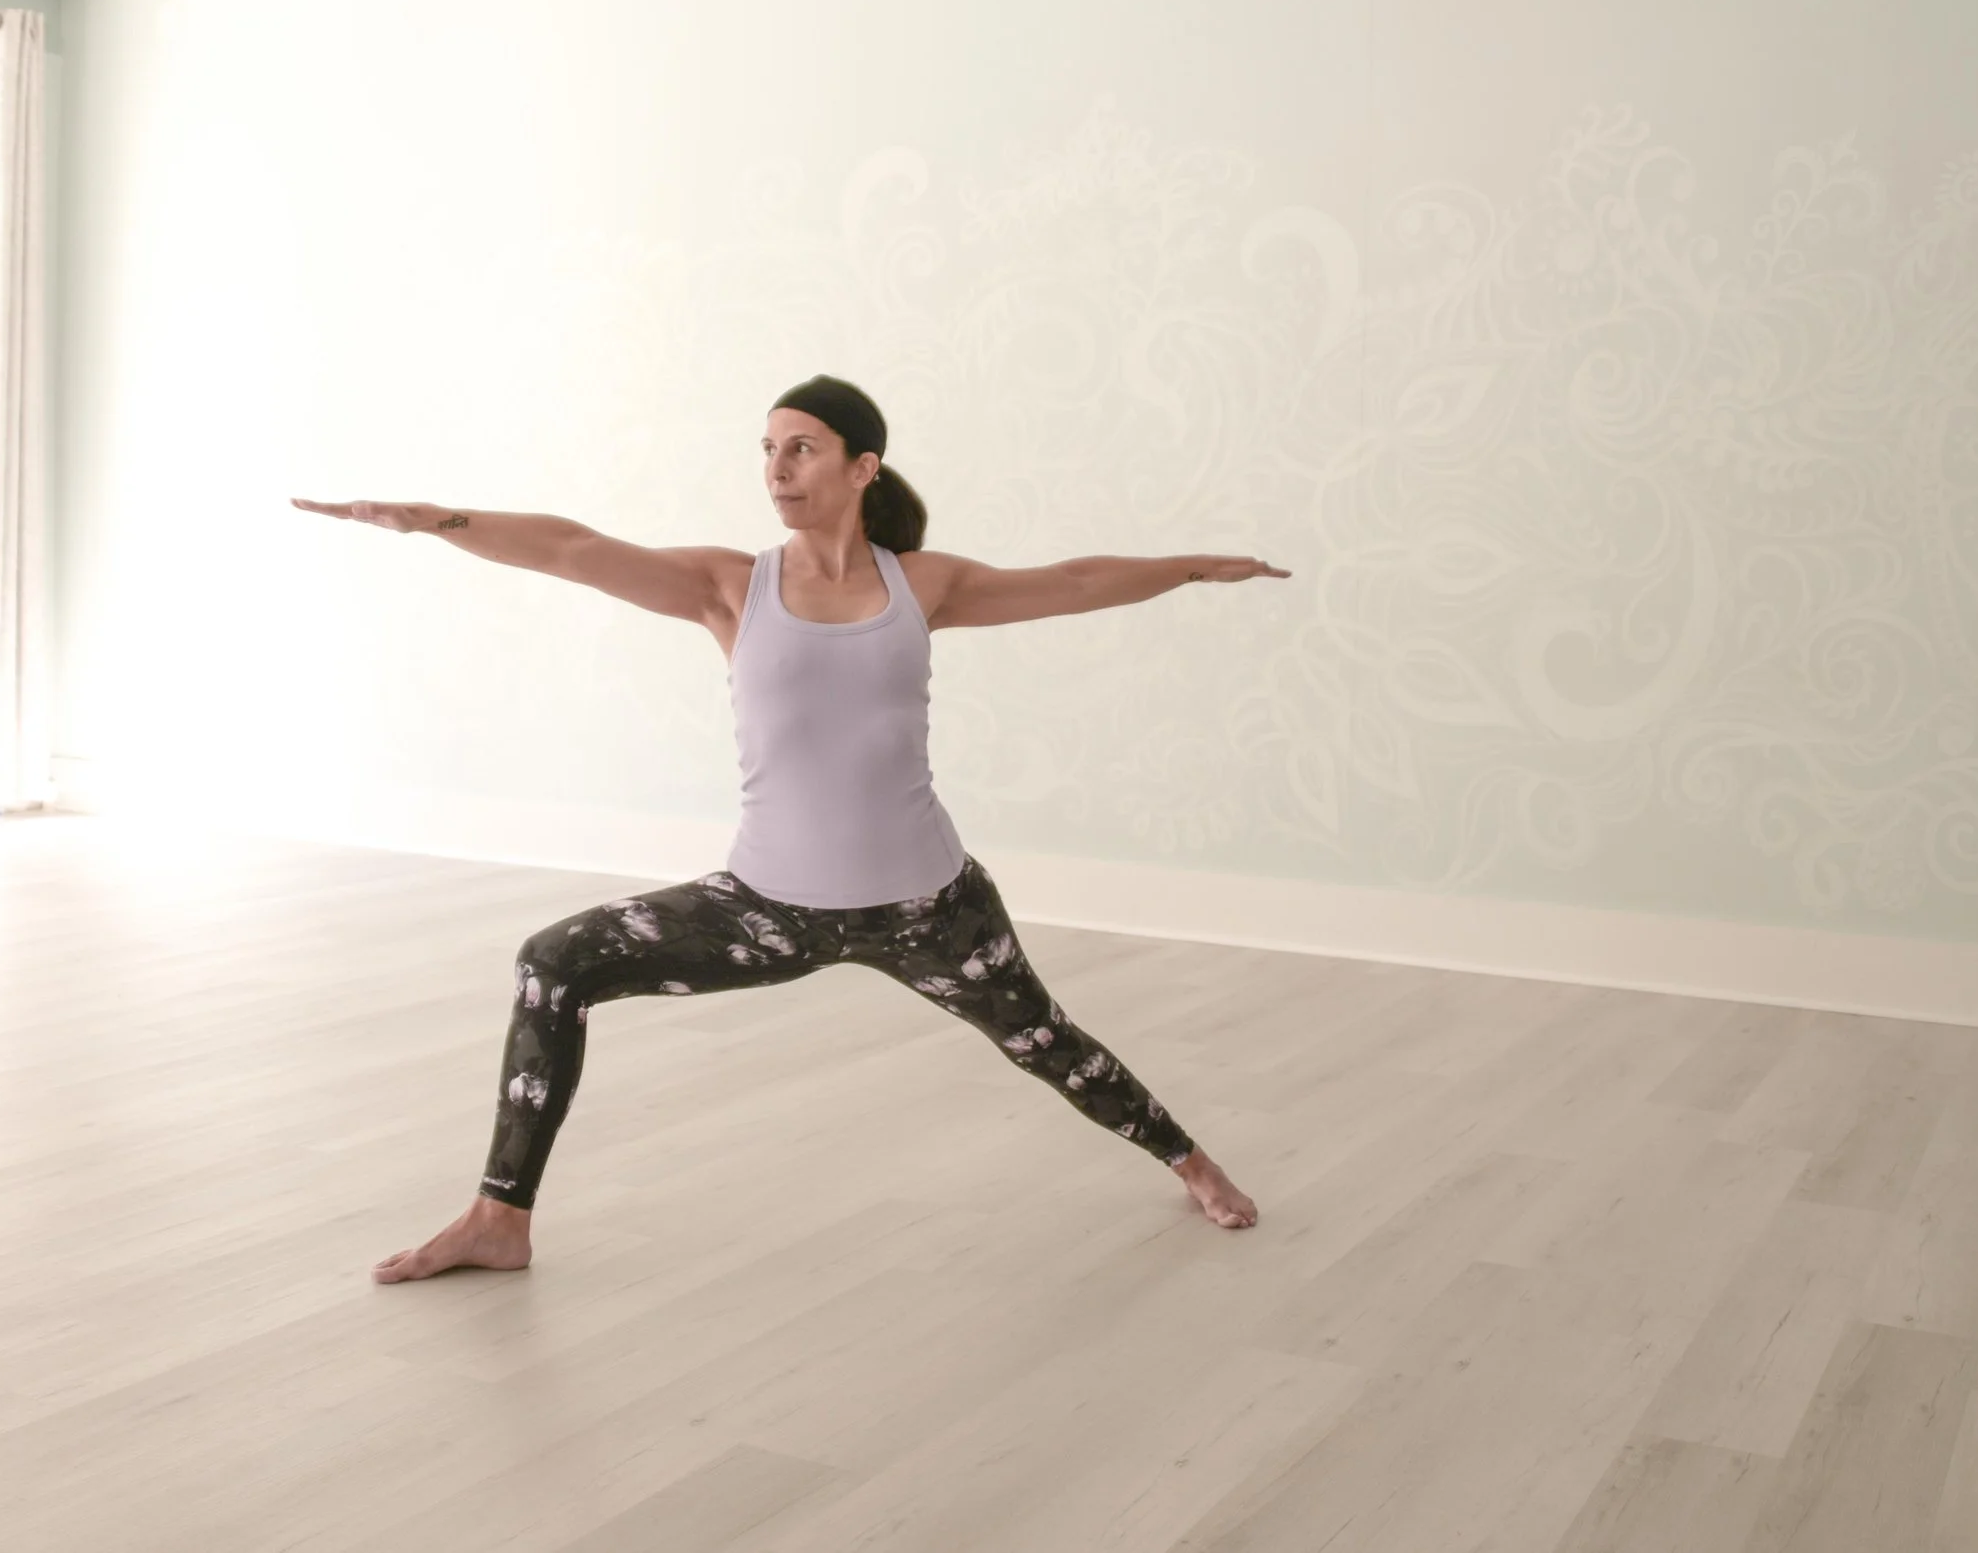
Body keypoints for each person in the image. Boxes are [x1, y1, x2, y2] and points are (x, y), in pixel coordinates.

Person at [292, 375, 1291, 1284]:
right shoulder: (731, 585)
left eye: (802, 447)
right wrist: (435, 520)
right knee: (552, 960)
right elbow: (571, 548)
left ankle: (1190, 1162)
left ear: (863, 466)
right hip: (768, 909)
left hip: (927, 906)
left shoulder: (921, 585)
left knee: (1046, 1043)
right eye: (767, 448)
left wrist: (1193, 567)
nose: (777, 467)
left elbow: (1071, 582)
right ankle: (496, 1218)